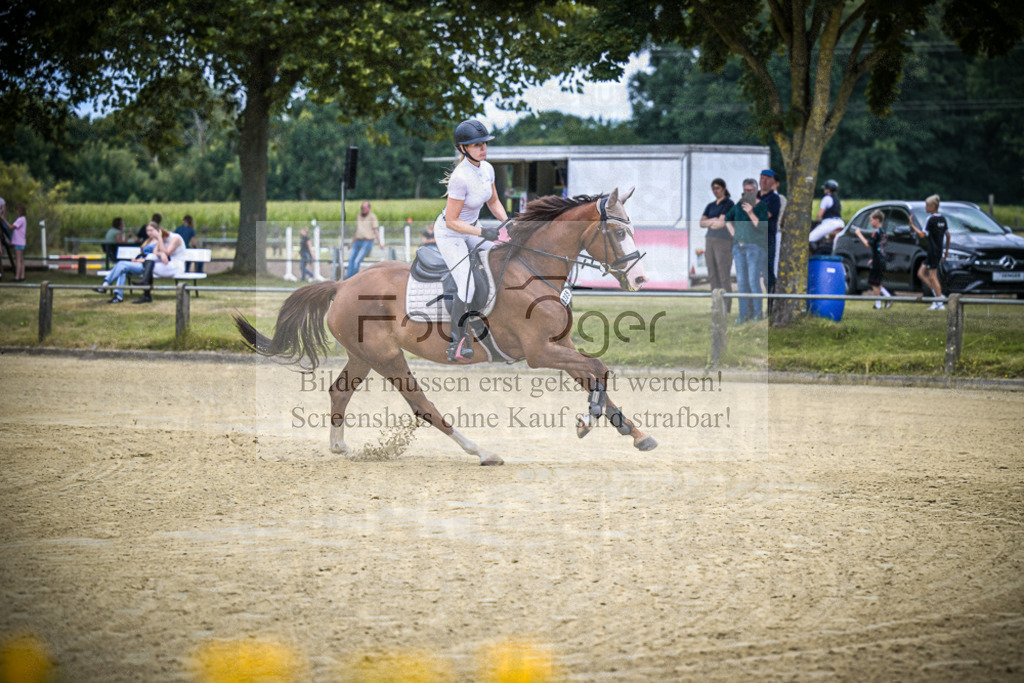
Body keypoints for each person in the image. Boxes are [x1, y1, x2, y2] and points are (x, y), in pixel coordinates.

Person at [434, 118, 509, 362]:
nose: (483, 149)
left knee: (503, 258)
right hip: (451, 233)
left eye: (484, 144)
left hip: (473, 229)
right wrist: (481, 232)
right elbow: (452, 221)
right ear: (463, 148)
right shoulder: (460, 177)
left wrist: (507, 222)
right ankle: (457, 341)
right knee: (466, 285)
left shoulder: (487, 169)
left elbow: (493, 201)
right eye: (477, 145)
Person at [726, 178, 770, 324]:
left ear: (756, 191)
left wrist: (751, 212)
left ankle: (758, 314)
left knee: (753, 281)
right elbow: (727, 219)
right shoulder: (738, 205)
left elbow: (762, 227)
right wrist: (734, 234)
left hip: (755, 248)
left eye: (750, 191)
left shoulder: (761, 206)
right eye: (745, 191)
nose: (747, 193)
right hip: (739, 248)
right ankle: (743, 315)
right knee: (741, 282)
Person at [699, 178, 735, 312]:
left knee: (723, 273)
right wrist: (713, 221)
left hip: (723, 241)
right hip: (710, 240)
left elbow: (721, 223)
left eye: (718, 188)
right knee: (712, 273)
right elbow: (701, 223)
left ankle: (726, 306)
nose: (715, 191)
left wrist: (711, 221)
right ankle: (716, 304)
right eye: (713, 188)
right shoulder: (711, 205)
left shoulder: (728, 203)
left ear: (724, 188)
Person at [910, 194, 950, 310]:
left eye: (927, 205)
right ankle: (938, 296)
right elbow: (948, 235)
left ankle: (939, 302)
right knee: (921, 273)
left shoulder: (930, 219)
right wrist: (946, 251)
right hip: (937, 251)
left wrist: (912, 225)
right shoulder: (942, 219)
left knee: (933, 276)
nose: (926, 207)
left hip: (933, 251)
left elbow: (922, 235)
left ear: (933, 206)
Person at [131, 222, 187, 304]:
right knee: (150, 258)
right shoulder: (160, 239)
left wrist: (160, 239)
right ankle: (145, 287)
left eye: (151, 230)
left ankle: (146, 293)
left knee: (148, 267)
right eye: (147, 231)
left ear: (159, 231)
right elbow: (154, 252)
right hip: (168, 264)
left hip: (177, 266)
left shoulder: (175, 238)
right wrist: (161, 253)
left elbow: (167, 252)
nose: (149, 233)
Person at [854, 209, 894, 309]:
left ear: (877, 220)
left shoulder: (876, 232)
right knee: (875, 282)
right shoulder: (883, 232)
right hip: (880, 258)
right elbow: (879, 247)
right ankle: (886, 297)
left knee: (874, 282)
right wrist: (873, 259)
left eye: (871, 220)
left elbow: (868, 244)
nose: (870, 223)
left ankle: (880, 303)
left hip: (878, 260)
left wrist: (859, 234)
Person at [757, 169, 782, 296]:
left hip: (767, 238)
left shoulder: (775, 198)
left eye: (767, 178)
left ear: (773, 181)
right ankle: (753, 308)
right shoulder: (754, 196)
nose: (764, 181)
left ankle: (771, 303)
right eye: (762, 178)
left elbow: (766, 215)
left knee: (768, 272)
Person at [346, 201, 383, 278]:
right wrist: (351, 244)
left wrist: (380, 243)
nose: (363, 209)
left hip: (367, 242)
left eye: (365, 208)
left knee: (356, 261)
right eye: (362, 208)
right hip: (358, 241)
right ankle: (348, 278)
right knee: (351, 260)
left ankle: (353, 279)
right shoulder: (358, 216)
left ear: (369, 208)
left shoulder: (372, 217)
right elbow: (357, 231)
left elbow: (376, 230)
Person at [808, 179, 844, 255]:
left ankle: (818, 255)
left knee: (810, 238)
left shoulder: (826, 198)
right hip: (840, 223)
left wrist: (816, 222)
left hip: (830, 223)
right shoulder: (837, 199)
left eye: (825, 188)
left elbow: (820, 215)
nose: (824, 189)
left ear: (828, 189)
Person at [10, 202, 27, 281]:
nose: (16, 212)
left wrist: (3, 219)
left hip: (18, 242)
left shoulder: (20, 219)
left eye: (17, 210)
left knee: (18, 260)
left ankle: (17, 277)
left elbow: (11, 227)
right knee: (21, 260)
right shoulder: (23, 219)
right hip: (21, 242)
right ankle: (22, 276)